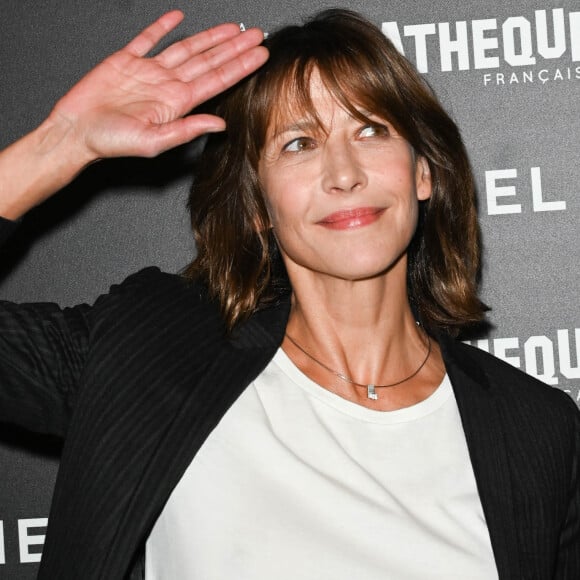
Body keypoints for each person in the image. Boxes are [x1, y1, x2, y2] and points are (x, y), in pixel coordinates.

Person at [0, 8, 578, 580]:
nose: (343, 173)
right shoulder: (150, 353)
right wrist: (61, 143)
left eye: (371, 130)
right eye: (299, 144)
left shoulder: (534, 429)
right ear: (258, 207)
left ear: (423, 172)